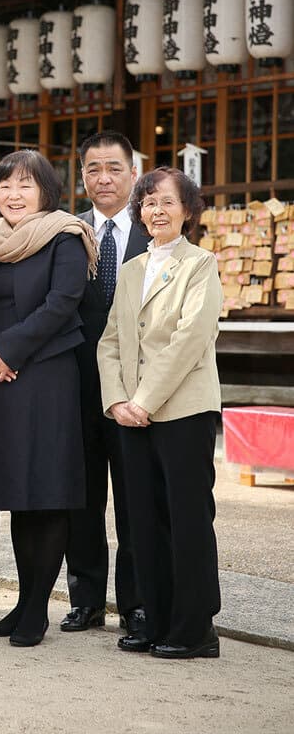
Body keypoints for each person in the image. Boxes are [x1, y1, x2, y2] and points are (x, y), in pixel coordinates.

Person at [0, 150, 98, 647]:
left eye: (25, 185)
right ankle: (23, 604)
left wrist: (9, 349)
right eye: (6, 185)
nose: (13, 194)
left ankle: (36, 612)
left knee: (45, 495)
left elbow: (62, 303)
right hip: (0, 381)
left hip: (45, 376)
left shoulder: (64, 236)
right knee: (19, 497)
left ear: (46, 191)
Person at [97, 167, 222, 659]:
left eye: (167, 202)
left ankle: (195, 629)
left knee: (188, 517)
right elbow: (109, 341)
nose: (157, 211)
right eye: (148, 202)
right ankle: (154, 618)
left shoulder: (201, 264)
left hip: (182, 410)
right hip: (129, 413)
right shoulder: (131, 270)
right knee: (142, 519)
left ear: (188, 210)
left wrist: (143, 400)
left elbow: (190, 338)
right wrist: (116, 402)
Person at [61, 131, 148, 639]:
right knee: (83, 497)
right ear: (82, 176)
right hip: (77, 389)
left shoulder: (153, 230)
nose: (103, 178)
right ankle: (86, 598)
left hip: (136, 393)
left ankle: (136, 602)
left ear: (133, 174)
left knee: (134, 499)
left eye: (114, 168)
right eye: (93, 168)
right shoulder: (68, 234)